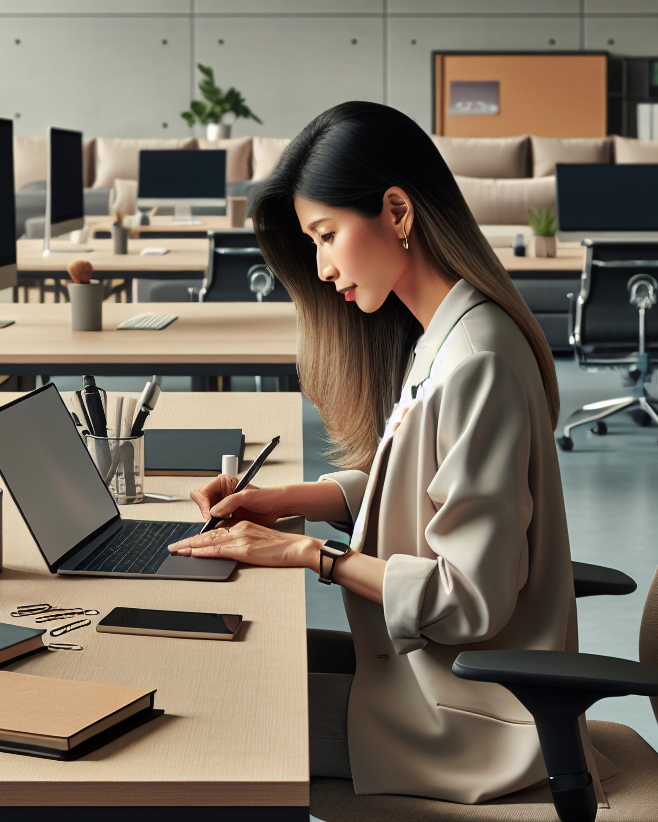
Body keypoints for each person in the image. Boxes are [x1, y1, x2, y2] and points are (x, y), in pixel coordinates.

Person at [169, 102, 584, 804]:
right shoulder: (448, 331)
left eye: (327, 236)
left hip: (464, 720)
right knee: (225, 668)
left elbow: (468, 602)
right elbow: (425, 486)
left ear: (396, 211)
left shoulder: (476, 360)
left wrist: (312, 556)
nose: (324, 269)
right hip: (423, 676)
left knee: (209, 724)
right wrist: (284, 502)